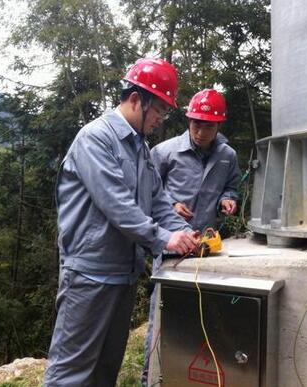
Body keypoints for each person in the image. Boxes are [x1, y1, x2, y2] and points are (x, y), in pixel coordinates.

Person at [44, 58, 200, 387]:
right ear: (135, 100)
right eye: (158, 109)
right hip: (89, 273)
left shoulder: (140, 148)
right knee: (71, 374)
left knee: (105, 369)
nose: (160, 119)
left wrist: (184, 232)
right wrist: (164, 239)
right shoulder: (96, 139)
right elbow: (117, 205)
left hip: (123, 275)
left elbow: (157, 201)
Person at [142, 89, 240, 385]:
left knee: (201, 311)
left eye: (208, 125)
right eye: (195, 123)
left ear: (218, 125)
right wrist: (170, 205)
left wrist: (228, 199)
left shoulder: (227, 156)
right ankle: (151, 377)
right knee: (162, 312)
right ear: (188, 120)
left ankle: (191, 374)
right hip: (171, 246)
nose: (200, 130)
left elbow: (232, 187)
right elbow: (147, 191)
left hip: (205, 247)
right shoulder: (164, 152)